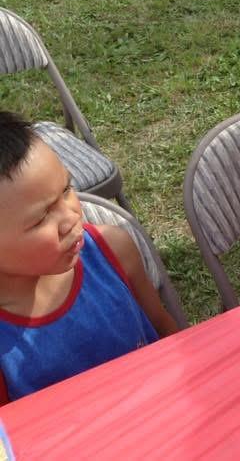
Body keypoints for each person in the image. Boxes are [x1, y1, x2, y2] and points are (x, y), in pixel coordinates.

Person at [0, 111, 178, 405]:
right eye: (41, 218)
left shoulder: (114, 250)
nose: (71, 216)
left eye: (66, 190)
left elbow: (165, 330)